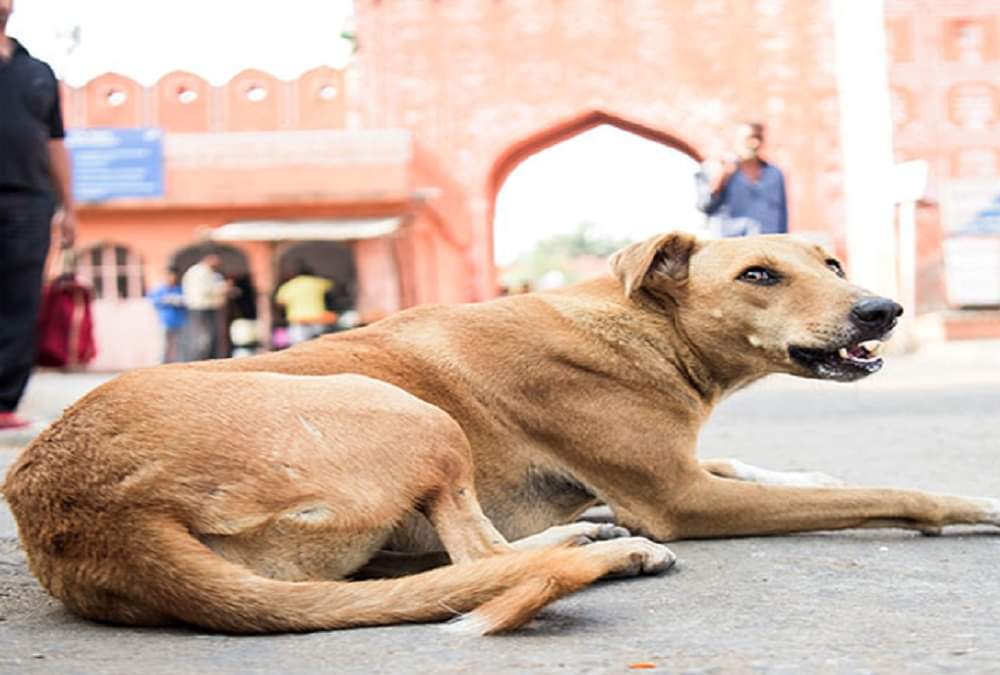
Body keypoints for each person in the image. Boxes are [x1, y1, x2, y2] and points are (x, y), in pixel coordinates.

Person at [0, 0, 76, 430]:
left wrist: (69, 208)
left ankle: (3, 403)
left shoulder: (38, 71)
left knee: (20, 300)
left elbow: (55, 142)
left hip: (30, 200)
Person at [696, 121, 788, 237]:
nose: (755, 143)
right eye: (749, 138)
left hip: (768, 243)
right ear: (735, 140)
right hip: (732, 243)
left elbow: (782, 215)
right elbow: (705, 206)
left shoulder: (775, 174)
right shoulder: (714, 168)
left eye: (758, 138)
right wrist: (722, 177)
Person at [180, 254, 230, 361]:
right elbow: (206, 290)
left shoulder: (206, 272)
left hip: (205, 307)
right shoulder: (200, 272)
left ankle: (208, 357)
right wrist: (223, 287)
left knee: (210, 334)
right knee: (204, 335)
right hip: (201, 307)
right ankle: (201, 358)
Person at [275, 265, 336, 345]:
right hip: (317, 318)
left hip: (298, 319)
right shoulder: (317, 282)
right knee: (320, 345)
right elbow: (332, 286)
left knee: (299, 346)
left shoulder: (288, 285)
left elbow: (280, 303)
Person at [148, 269, 187, 363]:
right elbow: (154, 301)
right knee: (164, 345)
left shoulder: (180, 290)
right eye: (170, 276)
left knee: (180, 345)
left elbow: (188, 301)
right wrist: (166, 300)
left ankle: (179, 363)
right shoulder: (160, 290)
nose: (172, 279)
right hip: (165, 321)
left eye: (174, 276)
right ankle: (162, 363)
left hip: (179, 321)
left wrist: (179, 301)